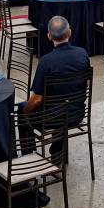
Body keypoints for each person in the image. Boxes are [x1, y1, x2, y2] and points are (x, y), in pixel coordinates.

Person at [24, 16, 91, 147]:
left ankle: (28, 152)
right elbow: (86, 83)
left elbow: (37, 99)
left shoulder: (46, 62)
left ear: (49, 36)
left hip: (53, 118)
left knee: (23, 110)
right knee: (60, 100)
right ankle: (57, 151)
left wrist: (25, 113)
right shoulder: (82, 54)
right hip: (77, 113)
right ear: (70, 32)